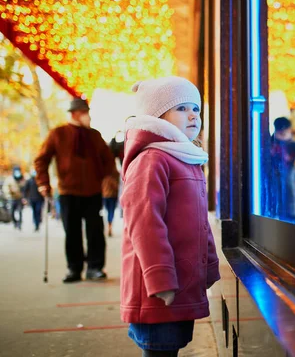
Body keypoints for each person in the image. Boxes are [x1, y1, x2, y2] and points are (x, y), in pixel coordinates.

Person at [120, 77, 220, 357]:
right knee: (159, 351)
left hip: (181, 284)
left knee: (169, 349)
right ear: (157, 115)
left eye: (196, 109)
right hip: (159, 290)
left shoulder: (185, 157)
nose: (193, 115)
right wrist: (159, 278)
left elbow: (200, 223)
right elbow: (145, 225)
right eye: (181, 108)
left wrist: (209, 266)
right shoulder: (152, 160)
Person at [34, 98, 116, 283]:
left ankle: (95, 267)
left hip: (93, 191)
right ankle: (74, 268)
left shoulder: (94, 135)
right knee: (72, 231)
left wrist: (105, 176)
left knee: (95, 230)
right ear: (74, 114)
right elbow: (41, 159)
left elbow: (108, 160)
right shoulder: (58, 134)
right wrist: (43, 183)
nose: (88, 116)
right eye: (84, 112)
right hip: (68, 192)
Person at [269, 117, 295, 222]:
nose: (283, 133)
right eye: (280, 131)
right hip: (273, 178)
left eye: (285, 130)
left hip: (290, 178)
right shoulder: (270, 143)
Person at [102, 167, 120, 237]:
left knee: (108, 211)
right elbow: (117, 186)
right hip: (112, 196)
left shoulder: (104, 173)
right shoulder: (115, 174)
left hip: (106, 196)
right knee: (110, 211)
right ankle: (109, 226)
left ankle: (109, 226)